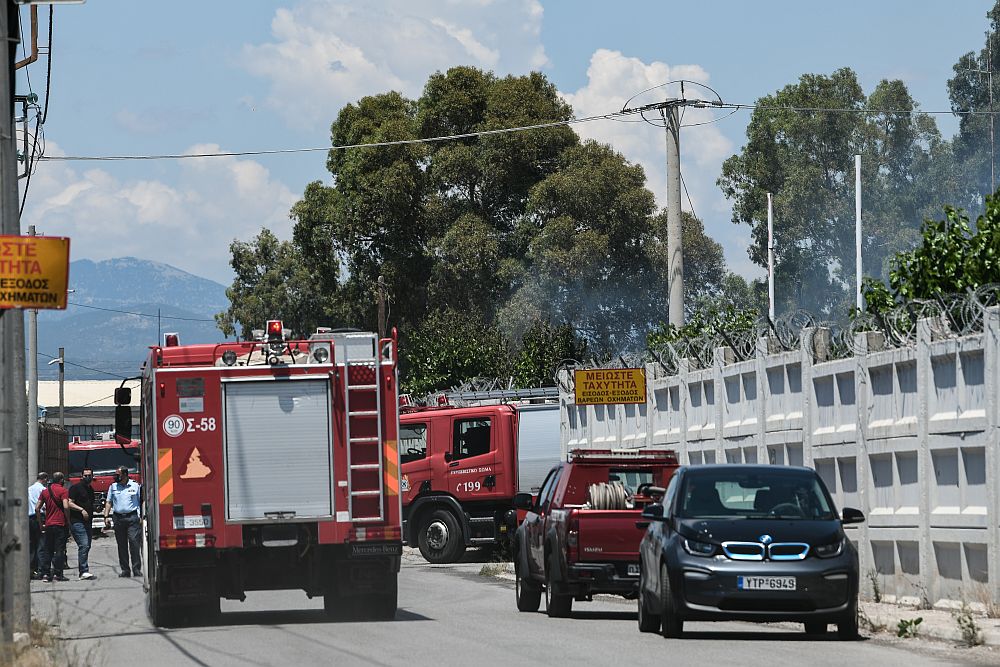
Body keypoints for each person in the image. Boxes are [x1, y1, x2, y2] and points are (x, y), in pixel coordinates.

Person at [103, 465, 142, 577]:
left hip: (132, 518)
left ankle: (136, 569)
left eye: (118, 475)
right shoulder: (113, 487)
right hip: (118, 518)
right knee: (122, 545)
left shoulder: (135, 486)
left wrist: (141, 516)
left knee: (134, 543)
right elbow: (109, 502)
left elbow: (140, 501)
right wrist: (106, 516)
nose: (115, 477)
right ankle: (125, 570)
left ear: (124, 475)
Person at [35, 471, 69, 582]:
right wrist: (68, 520)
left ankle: (45, 574)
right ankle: (57, 574)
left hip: (49, 524)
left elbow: (37, 508)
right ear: (61, 480)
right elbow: (66, 506)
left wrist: (41, 524)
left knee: (48, 550)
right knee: (59, 550)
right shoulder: (63, 491)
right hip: (60, 524)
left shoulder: (45, 492)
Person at [67, 468, 96, 580]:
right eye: (85, 475)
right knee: (84, 545)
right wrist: (81, 510)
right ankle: (83, 571)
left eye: (89, 475)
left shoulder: (90, 489)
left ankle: (84, 570)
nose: (87, 477)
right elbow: (69, 503)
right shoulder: (75, 488)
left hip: (88, 522)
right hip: (77, 521)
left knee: (87, 546)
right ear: (81, 476)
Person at [28, 471, 48, 578]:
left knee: (31, 544)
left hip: (29, 518)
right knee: (41, 544)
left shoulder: (29, 489)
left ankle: (31, 569)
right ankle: (41, 569)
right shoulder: (43, 490)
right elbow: (44, 506)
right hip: (40, 517)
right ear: (44, 479)